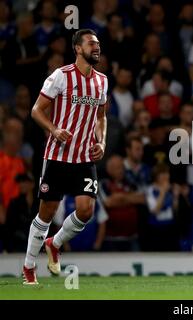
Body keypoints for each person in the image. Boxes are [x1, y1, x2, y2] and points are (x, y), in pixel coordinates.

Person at [22, 29, 108, 285]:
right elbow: (36, 110)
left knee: (86, 210)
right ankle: (28, 267)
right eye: (91, 43)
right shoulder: (61, 76)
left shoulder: (102, 80)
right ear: (78, 48)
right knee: (46, 213)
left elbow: (101, 117)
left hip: (84, 157)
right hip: (57, 156)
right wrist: (54, 129)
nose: (96, 47)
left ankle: (55, 243)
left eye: (98, 44)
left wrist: (101, 141)